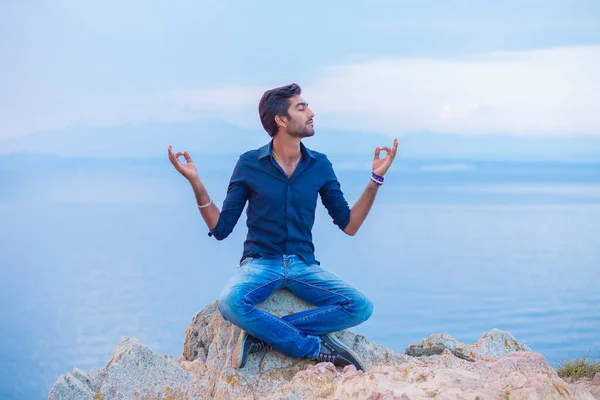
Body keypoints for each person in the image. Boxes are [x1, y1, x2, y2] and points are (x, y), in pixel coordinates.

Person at [168, 83, 398, 372]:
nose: (311, 112)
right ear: (281, 120)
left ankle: (263, 334)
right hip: (260, 264)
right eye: (301, 108)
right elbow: (222, 226)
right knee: (230, 304)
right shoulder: (249, 163)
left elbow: (349, 225)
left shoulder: (320, 165)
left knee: (361, 306)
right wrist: (195, 182)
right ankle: (315, 349)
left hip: (303, 266)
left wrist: (375, 179)